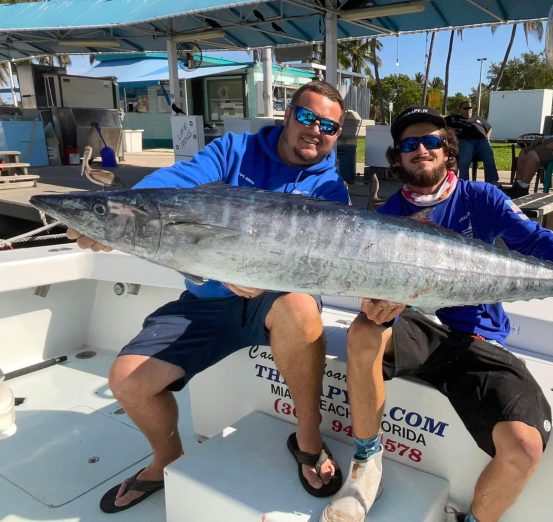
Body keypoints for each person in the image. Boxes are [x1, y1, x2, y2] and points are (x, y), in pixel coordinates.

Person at [66, 80, 349, 513]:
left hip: (275, 304)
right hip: (207, 302)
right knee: (127, 381)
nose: (316, 130)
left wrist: (262, 276)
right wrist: (119, 217)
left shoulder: (331, 189)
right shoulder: (234, 150)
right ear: (288, 115)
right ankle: (167, 461)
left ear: (337, 134)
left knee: (299, 305)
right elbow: (173, 183)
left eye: (328, 126)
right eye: (308, 117)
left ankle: (308, 439)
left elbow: (317, 267)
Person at [322, 106, 553, 522]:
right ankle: (367, 461)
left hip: (477, 337)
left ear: (448, 151)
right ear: (397, 157)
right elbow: (372, 293)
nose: (422, 149)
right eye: (409, 144)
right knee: (365, 329)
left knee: (525, 447)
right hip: (414, 329)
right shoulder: (383, 219)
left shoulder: (481, 198)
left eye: (432, 141)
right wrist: (374, 305)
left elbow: (536, 240)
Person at [445, 101, 500, 185]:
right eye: (465, 108)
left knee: (489, 157)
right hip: (464, 140)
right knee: (464, 160)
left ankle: (492, 182)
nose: (468, 110)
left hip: (481, 141)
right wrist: (452, 134)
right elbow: (443, 127)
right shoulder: (452, 118)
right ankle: (464, 182)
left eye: (470, 108)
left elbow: (489, 128)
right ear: (459, 110)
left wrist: (488, 138)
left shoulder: (477, 118)